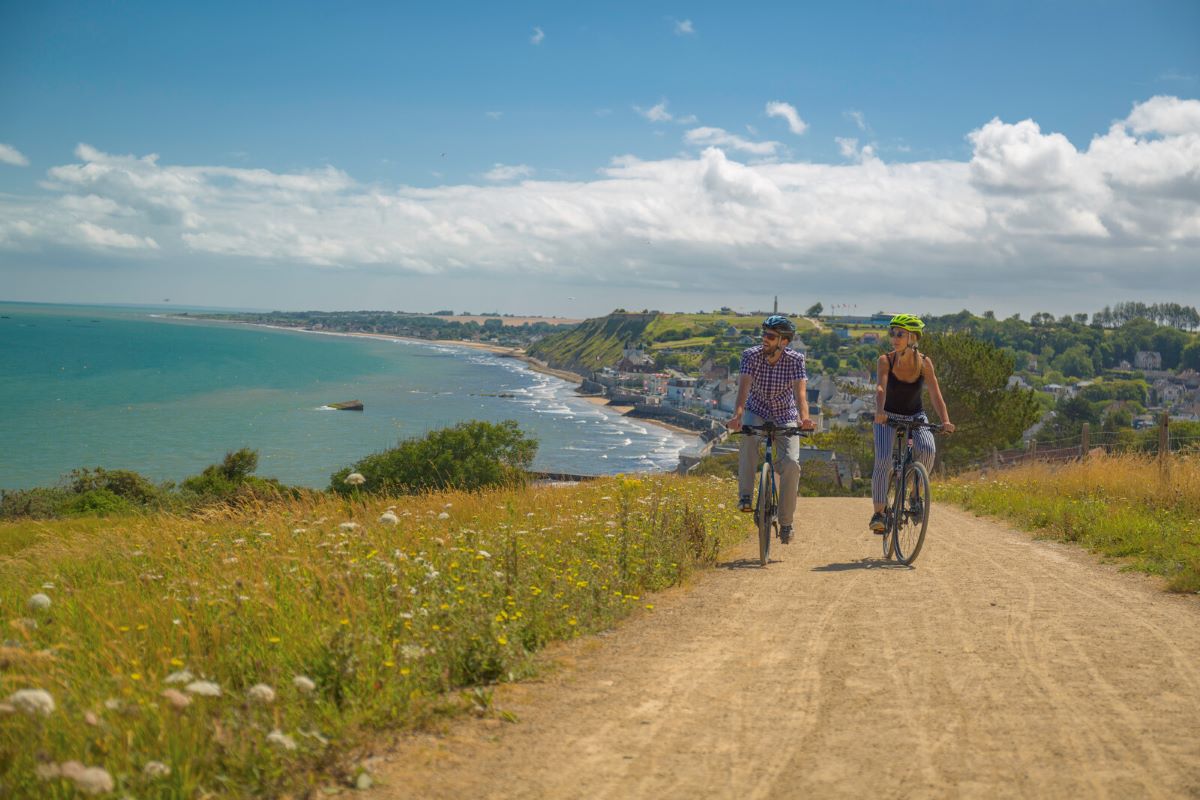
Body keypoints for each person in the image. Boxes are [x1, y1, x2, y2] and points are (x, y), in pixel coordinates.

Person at [726, 314, 815, 545]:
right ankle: (745, 496)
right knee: (748, 439)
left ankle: (786, 523)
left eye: (770, 336)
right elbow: (743, 389)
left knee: (792, 464)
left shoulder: (796, 360)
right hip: (756, 409)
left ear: (783, 341)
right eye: (763, 334)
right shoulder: (750, 355)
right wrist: (737, 417)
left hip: (785, 414)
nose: (764, 339)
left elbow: (801, 394)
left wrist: (805, 419)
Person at [869, 314, 955, 532]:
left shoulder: (924, 363)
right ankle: (879, 514)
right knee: (883, 462)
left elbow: (935, 394)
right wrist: (879, 411)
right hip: (887, 416)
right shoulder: (885, 360)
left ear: (913, 338)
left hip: (916, 415)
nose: (895, 338)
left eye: (900, 334)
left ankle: (915, 493)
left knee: (927, 450)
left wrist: (945, 420)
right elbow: (881, 388)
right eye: (893, 333)